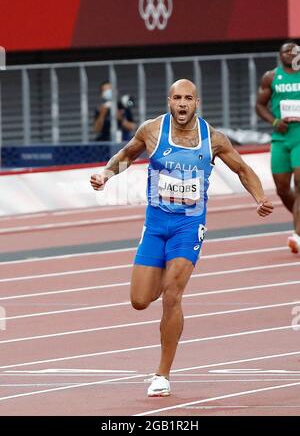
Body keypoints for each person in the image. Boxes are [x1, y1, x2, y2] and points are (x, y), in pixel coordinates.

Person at [90, 79, 273, 397]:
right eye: (177, 98)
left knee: (173, 295)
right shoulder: (151, 130)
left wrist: (259, 198)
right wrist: (106, 174)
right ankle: (161, 275)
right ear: (169, 101)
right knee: (139, 301)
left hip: (189, 226)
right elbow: (127, 154)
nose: (183, 103)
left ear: (197, 102)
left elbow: (242, 169)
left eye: (188, 98)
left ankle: (162, 374)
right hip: (156, 223)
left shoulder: (212, 138)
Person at [256, 42, 300, 254]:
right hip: (281, 137)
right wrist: (274, 122)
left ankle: (297, 234)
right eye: (285, 51)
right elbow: (259, 105)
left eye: (293, 50)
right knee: (282, 188)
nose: (290, 54)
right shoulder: (271, 77)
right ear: (279, 55)